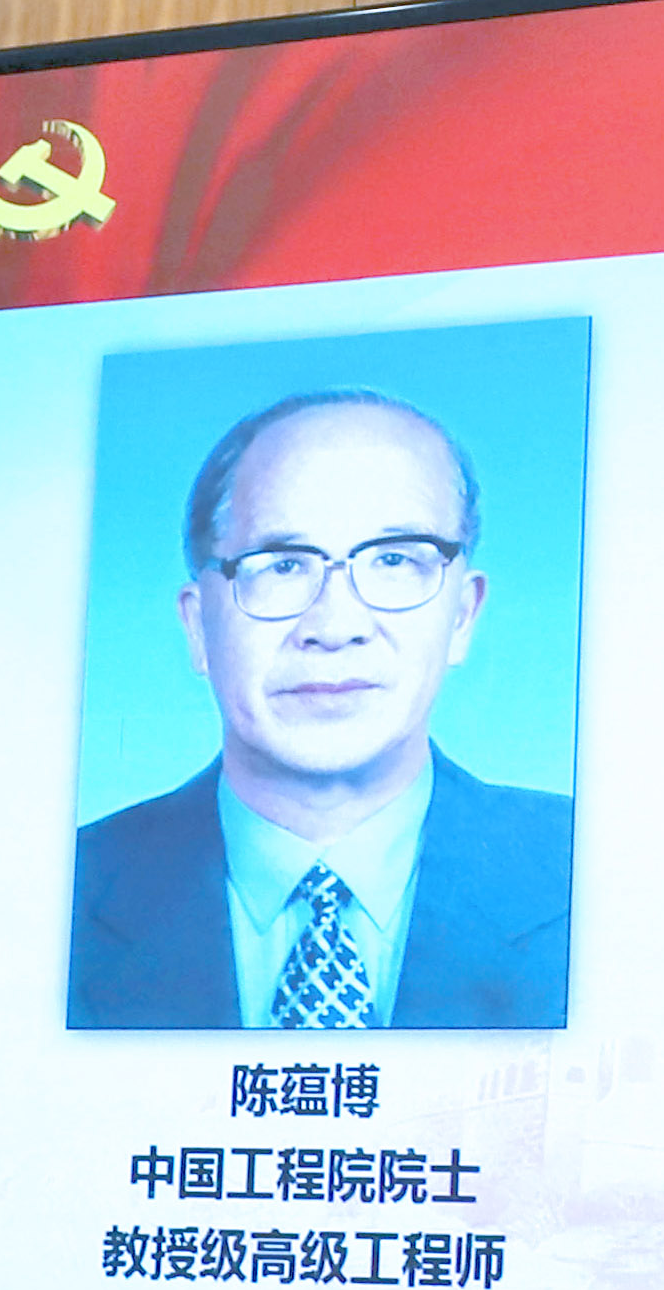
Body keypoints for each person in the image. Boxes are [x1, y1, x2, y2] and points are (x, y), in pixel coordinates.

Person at [68, 388, 573, 1029]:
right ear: (197, 626)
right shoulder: (62, 889)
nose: (335, 627)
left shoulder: (596, 870)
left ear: (463, 616)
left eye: (394, 560)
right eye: (282, 565)